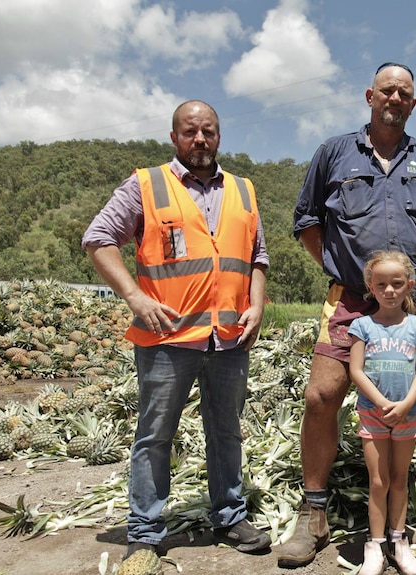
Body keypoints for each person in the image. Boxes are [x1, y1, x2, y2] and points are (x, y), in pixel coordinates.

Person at [278, 62, 416, 568]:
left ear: (413, 102)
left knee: (404, 400)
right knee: (322, 395)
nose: (396, 98)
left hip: (411, 302)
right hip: (352, 300)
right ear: (369, 96)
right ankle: (313, 514)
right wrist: (343, 270)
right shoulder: (335, 153)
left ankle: (395, 522)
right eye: (388, 90)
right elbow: (307, 221)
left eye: (405, 93)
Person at [81, 100, 271, 560]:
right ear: (174, 137)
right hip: (168, 339)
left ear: (219, 137)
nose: (200, 139)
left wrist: (258, 304)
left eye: (208, 131)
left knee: (226, 432)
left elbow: (257, 257)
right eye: (190, 131)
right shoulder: (145, 184)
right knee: (156, 433)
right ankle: (145, 531)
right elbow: (98, 239)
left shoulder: (243, 190)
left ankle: (229, 516)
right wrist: (135, 297)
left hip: (228, 338)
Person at [348, 250, 416, 575]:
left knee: (399, 478)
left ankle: (399, 543)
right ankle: (375, 546)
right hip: (373, 414)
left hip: (408, 415)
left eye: (397, 283)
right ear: (370, 286)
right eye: (382, 284)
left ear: (409, 285)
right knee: (378, 481)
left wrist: (407, 402)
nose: (390, 290)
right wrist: (382, 403)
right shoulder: (361, 326)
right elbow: (356, 371)